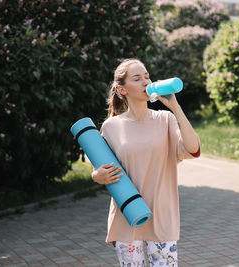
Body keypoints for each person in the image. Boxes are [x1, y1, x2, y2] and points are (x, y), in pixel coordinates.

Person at [91, 58, 200, 266]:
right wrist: (97, 176)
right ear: (122, 90)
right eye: (137, 78)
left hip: (161, 216)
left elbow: (193, 148)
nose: (145, 82)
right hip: (128, 217)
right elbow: (98, 169)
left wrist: (175, 107)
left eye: (147, 76)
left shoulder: (164, 119)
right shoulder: (110, 127)